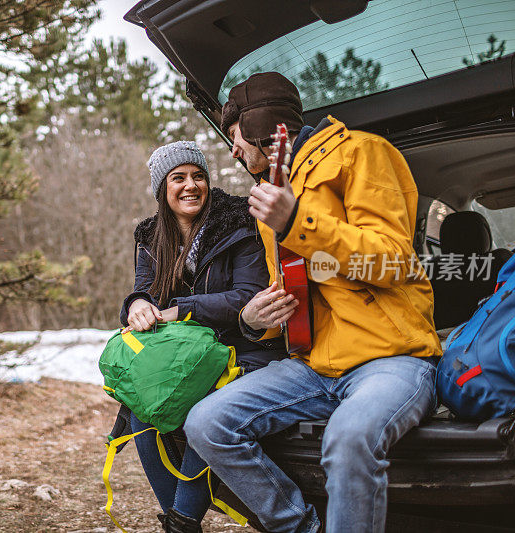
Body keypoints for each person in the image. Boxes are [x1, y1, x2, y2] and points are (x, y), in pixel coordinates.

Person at [183, 73, 442, 533]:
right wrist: (252, 320)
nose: (234, 151)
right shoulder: (271, 192)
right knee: (206, 422)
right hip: (312, 365)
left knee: (349, 437)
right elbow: (290, 289)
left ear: (268, 133)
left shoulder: (362, 152)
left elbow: (393, 262)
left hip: (389, 358)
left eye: (237, 139)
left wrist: (296, 221)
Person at [119, 140, 287, 532]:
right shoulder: (150, 237)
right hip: (187, 355)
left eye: (198, 176)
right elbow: (142, 289)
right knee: (140, 414)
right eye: (178, 178)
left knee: (203, 411)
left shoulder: (237, 222)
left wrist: (183, 308)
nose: (190, 185)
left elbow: (249, 296)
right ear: (162, 189)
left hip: (245, 349)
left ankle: (181, 522)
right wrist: (137, 304)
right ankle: (179, 519)